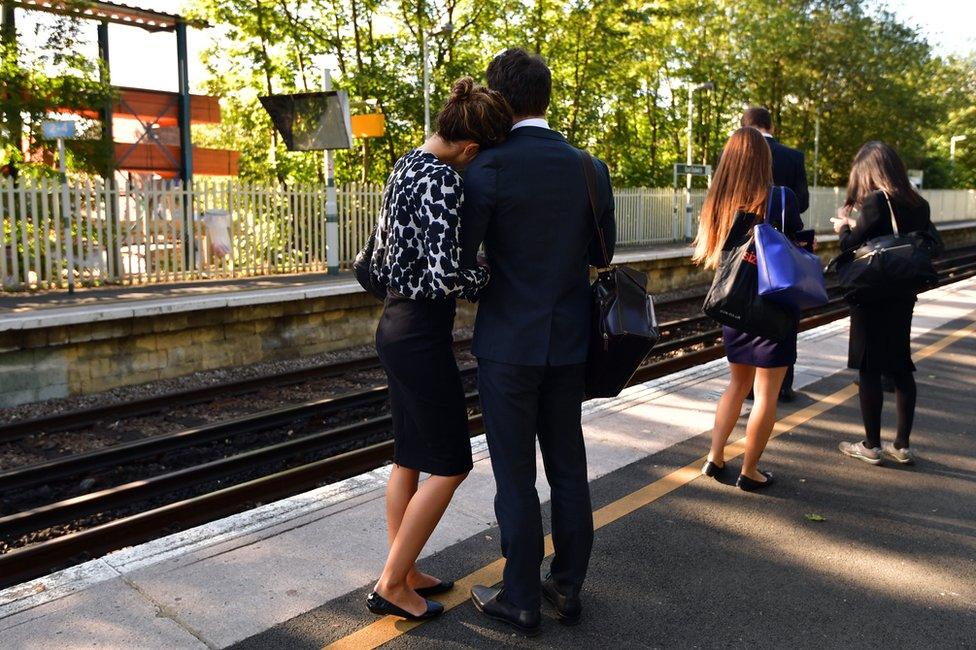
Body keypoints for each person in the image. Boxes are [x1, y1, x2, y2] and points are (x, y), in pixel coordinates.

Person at [461, 48, 615, 635]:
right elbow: (603, 254)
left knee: (515, 475)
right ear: (545, 98)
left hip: (507, 343)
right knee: (569, 465)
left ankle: (520, 596)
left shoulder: (487, 168)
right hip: (570, 340)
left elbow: (466, 261)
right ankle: (567, 586)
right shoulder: (587, 167)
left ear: (500, 100)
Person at [364, 77, 513, 621]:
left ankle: (404, 568)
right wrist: (492, 278)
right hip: (422, 330)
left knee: (409, 455)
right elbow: (442, 275)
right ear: (471, 148)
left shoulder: (405, 163)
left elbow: (379, 259)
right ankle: (390, 586)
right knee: (451, 462)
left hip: (394, 323)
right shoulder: (445, 180)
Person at [694, 127, 803, 491]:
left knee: (737, 385)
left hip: (735, 306)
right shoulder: (781, 199)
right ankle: (750, 471)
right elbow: (795, 246)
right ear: (763, 160)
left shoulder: (718, 203)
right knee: (766, 393)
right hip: (774, 307)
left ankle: (715, 456)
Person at [832, 141, 931, 466]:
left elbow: (852, 245)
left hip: (872, 293)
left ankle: (871, 445)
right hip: (903, 292)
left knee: (868, 366)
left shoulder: (876, 201)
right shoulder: (918, 202)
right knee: (901, 362)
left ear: (870, 172)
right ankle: (901, 445)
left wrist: (843, 226)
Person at [741, 106, 809, 402]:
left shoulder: (737, 154)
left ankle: (745, 386)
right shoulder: (793, 157)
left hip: (743, 251)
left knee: (742, 309)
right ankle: (782, 385)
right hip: (780, 248)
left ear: (745, 127)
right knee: (782, 312)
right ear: (772, 126)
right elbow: (802, 203)